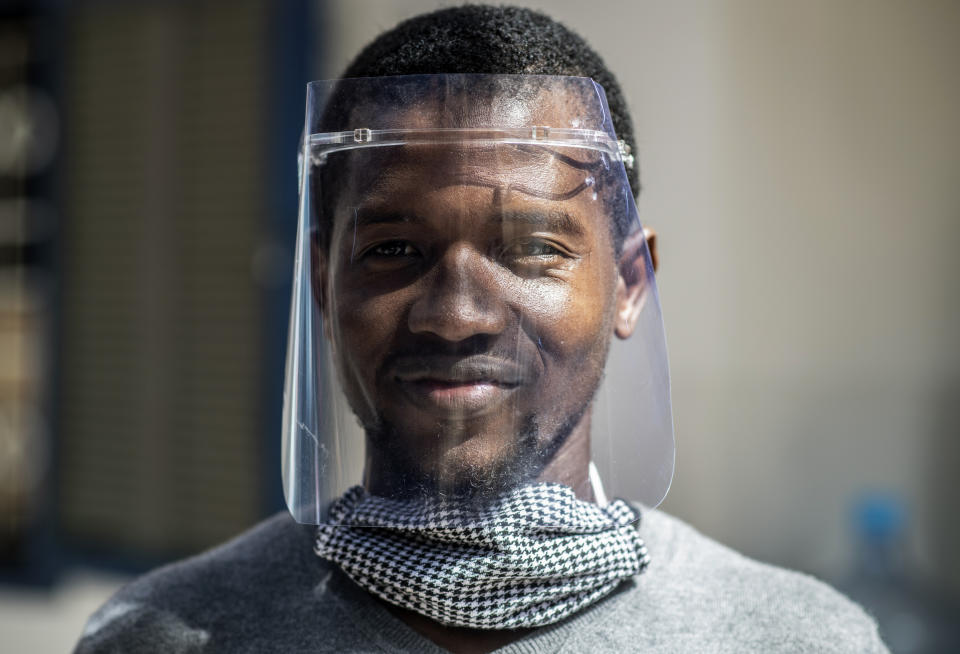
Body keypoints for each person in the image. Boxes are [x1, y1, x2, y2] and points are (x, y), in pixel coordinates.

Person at [74, 6, 889, 653]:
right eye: (394, 250)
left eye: (533, 249)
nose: (458, 313)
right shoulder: (168, 634)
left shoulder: (795, 639)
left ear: (630, 284)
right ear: (324, 285)